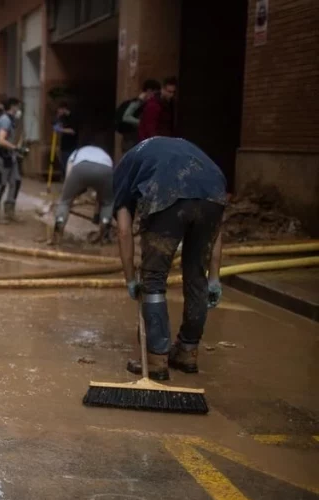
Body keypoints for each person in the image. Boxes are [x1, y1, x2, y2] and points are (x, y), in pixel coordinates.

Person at [113, 137, 228, 380]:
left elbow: (124, 231)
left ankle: (157, 359)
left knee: (153, 279)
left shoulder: (124, 170)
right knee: (197, 278)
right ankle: (187, 352)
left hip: (167, 191)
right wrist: (214, 277)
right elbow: (216, 231)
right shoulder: (184, 152)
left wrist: (131, 279)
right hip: (213, 191)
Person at [52, 145, 114, 245]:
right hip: (105, 169)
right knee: (108, 203)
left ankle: (58, 230)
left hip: (81, 167)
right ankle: (105, 229)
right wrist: (97, 214)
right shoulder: (105, 155)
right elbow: (101, 194)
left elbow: (69, 177)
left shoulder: (75, 153)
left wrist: (69, 196)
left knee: (65, 201)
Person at [0, 97, 26, 223]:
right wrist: (15, 148)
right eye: (18, 107)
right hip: (1, 158)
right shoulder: (5, 121)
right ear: (13, 107)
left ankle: (10, 210)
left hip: (10, 157)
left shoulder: (12, 120)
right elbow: (1, 140)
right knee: (1, 184)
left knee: (16, 181)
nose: (19, 110)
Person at [116, 79, 160, 152]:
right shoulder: (138, 102)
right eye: (155, 94)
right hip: (130, 139)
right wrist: (142, 123)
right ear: (149, 91)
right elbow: (126, 117)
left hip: (133, 139)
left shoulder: (145, 103)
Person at [138, 77, 177, 142]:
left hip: (165, 140)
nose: (171, 95)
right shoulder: (154, 105)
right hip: (154, 143)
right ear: (162, 89)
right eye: (169, 92)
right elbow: (150, 128)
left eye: (173, 92)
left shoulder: (171, 104)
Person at [53, 102, 78, 171]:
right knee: (63, 165)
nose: (58, 111)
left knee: (69, 166)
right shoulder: (63, 118)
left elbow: (72, 131)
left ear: (63, 109)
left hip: (71, 146)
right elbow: (58, 124)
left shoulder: (73, 117)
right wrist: (57, 118)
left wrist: (60, 130)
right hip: (64, 146)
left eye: (59, 110)